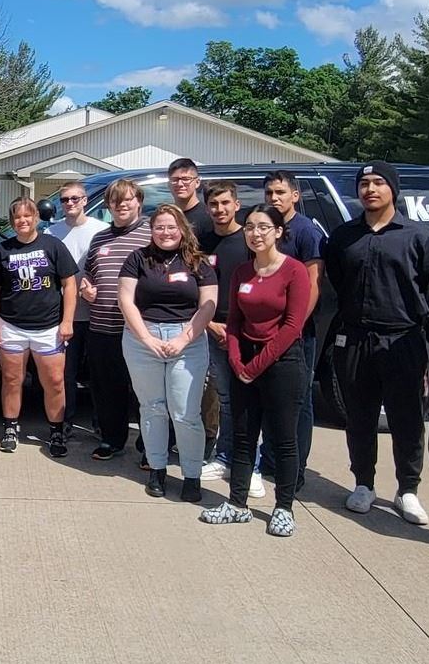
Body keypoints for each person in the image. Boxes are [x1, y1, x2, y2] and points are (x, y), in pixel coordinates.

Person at [324, 161, 429, 524]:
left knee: (406, 419)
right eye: (364, 183)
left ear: (393, 189)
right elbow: (337, 278)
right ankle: (363, 483)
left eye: (378, 183)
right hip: (355, 339)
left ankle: (408, 489)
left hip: (402, 340)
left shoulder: (418, 237)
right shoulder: (344, 237)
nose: (370, 189)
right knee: (358, 416)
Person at [201, 205, 312, 536]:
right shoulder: (242, 272)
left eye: (264, 227)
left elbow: (293, 326)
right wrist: (237, 361)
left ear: (278, 232)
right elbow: (233, 321)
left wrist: (256, 366)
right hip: (244, 359)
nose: (255, 233)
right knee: (243, 435)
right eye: (249, 227)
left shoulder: (293, 271)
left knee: (283, 439)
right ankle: (237, 504)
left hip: (283, 362)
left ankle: (284, 507)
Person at [119, 204, 218, 501]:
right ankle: (157, 469)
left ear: (182, 229)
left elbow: (208, 305)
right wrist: (146, 338)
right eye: (159, 227)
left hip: (187, 340)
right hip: (142, 339)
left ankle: (191, 476)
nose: (165, 233)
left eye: (171, 227)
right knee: (152, 408)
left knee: (186, 413)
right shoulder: (137, 259)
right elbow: (126, 300)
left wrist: (184, 338)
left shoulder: (198, 262)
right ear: (151, 231)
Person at [0, 198, 77, 457]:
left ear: (36, 217)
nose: (22, 221)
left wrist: (67, 321)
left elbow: (70, 285)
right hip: (12, 326)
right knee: (12, 380)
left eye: (27, 216)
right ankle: (11, 427)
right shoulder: (2, 251)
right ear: (12, 221)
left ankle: (56, 431)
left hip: (48, 327)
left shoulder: (53, 246)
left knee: (55, 382)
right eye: (17, 217)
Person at [259, 170, 325, 491]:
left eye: (281, 192)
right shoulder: (266, 229)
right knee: (272, 398)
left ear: (295, 195)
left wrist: (293, 326)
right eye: (270, 192)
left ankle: (296, 468)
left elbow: (314, 284)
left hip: (297, 332)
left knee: (298, 401)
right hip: (264, 331)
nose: (275, 198)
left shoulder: (305, 232)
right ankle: (271, 461)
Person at [81, 179, 151, 462]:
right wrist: (87, 286)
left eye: (128, 199)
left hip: (139, 331)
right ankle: (112, 440)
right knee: (107, 389)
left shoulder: (151, 234)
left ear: (139, 202)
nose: (122, 205)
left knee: (146, 393)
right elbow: (88, 273)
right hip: (102, 328)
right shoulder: (100, 238)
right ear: (108, 206)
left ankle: (150, 448)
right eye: (115, 201)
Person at [197, 182, 251, 487]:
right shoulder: (201, 243)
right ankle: (219, 454)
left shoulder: (248, 240)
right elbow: (191, 287)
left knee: (236, 400)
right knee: (205, 398)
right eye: (214, 204)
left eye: (225, 203)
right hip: (205, 327)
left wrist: (236, 328)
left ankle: (238, 459)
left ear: (237, 204)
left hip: (241, 332)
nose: (220, 209)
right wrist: (208, 324)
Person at [46, 181, 107, 441]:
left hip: (97, 314)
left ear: (85, 201)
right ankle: (65, 421)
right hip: (63, 316)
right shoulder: (51, 232)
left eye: (75, 199)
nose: (70, 203)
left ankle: (101, 423)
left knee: (99, 373)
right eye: (65, 200)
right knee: (64, 374)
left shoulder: (101, 230)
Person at [167, 158, 211, 239]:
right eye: (175, 180)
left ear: (197, 182)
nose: (180, 184)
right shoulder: (165, 216)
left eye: (186, 179)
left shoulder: (209, 216)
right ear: (168, 184)